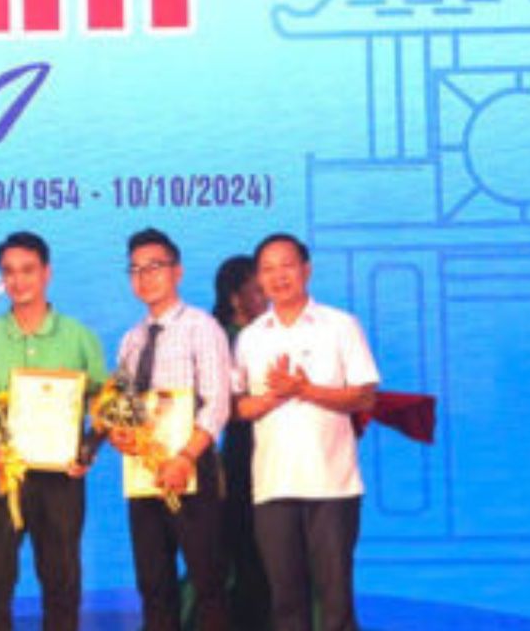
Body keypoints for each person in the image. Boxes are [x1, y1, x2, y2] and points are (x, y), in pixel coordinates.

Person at [0, 229, 107, 631]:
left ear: (46, 273)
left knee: (61, 584)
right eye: (8, 271)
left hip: (61, 479)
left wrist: (88, 451)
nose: (18, 280)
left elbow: (104, 407)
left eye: (27, 270)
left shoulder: (79, 337)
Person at [232, 233, 379, 631]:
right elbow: (238, 407)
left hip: (332, 486)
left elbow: (365, 396)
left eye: (287, 265)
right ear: (258, 278)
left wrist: (305, 390)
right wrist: (272, 398)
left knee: (335, 603)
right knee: (285, 603)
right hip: (273, 487)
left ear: (306, 270)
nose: (278, 276)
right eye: (268, 269)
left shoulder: (340, 325)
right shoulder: (250, 337)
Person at [110, 228, 233, 631]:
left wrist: (185, 457)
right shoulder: (131, 340)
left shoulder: (202, 327)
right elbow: (124, 407)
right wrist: (118, 431)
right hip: (144, 474)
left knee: (208, 583)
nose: (144, 277)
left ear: (177, 271)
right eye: (135, 270)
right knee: (153, 585)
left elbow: (217, 403)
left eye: (154, 267)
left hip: (192, 470)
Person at [212, 255, 270, 631]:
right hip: (242, 452)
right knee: (247, 545)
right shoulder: (223, 338)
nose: (267, 297)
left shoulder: (274, 332)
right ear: (235, 298)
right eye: (258, 290)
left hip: (277, 449)